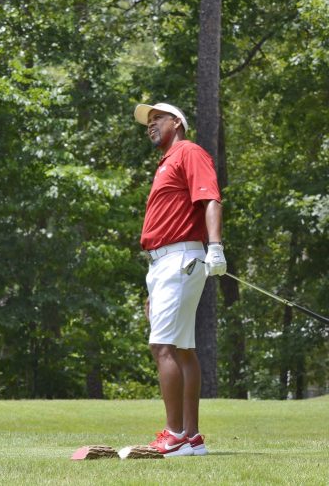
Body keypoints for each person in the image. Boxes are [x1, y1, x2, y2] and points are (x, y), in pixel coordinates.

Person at [134, 102, 227, 457]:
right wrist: (153, 289)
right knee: (182, 348)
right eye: (148, 121)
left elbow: (211, 199)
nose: (150, 125)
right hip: (164, 263)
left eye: (157, 118)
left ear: (177, 122)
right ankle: (191, 437)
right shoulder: (166, 162)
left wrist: (215, 247)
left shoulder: (189, 152)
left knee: (162, 346)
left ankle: (173, 436)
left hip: (180, 258)